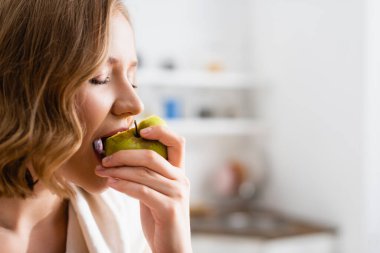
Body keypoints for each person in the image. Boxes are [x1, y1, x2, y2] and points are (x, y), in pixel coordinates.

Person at [0, 0, 192, 252]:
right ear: (22, 87)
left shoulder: (127, 218)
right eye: (100, 78)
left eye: (132, 80)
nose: (135, 104)